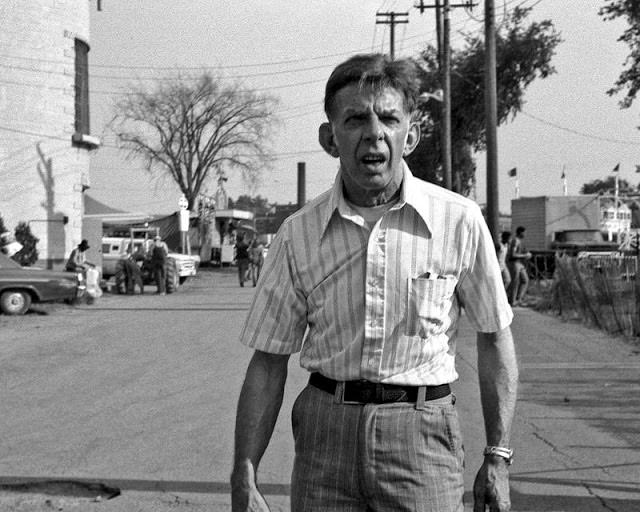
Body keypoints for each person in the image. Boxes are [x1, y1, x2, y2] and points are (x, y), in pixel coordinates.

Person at [231, 54, 518, 512]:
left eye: (388, 118)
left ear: (412, 134)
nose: (374, 133)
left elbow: (494, 338)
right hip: (326, 440)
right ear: (330, 138)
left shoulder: (457, 221)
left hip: (423, 441)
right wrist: (244, 473)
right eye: (355, 119)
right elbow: (267, 362)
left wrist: (498, 455)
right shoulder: (298, 234)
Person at [507, 226, 532, 306]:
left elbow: (523, 251)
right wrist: (525, 255)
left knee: (525, 280)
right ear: (520, 233)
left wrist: (527, 254)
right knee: (515, 282)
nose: (525, 234)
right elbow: (513, 254)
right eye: (524, 232)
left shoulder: (520, 241)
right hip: (514, 263)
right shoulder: (515, 241)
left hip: (519, 263)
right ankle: (512, 300)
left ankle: (519, 299)